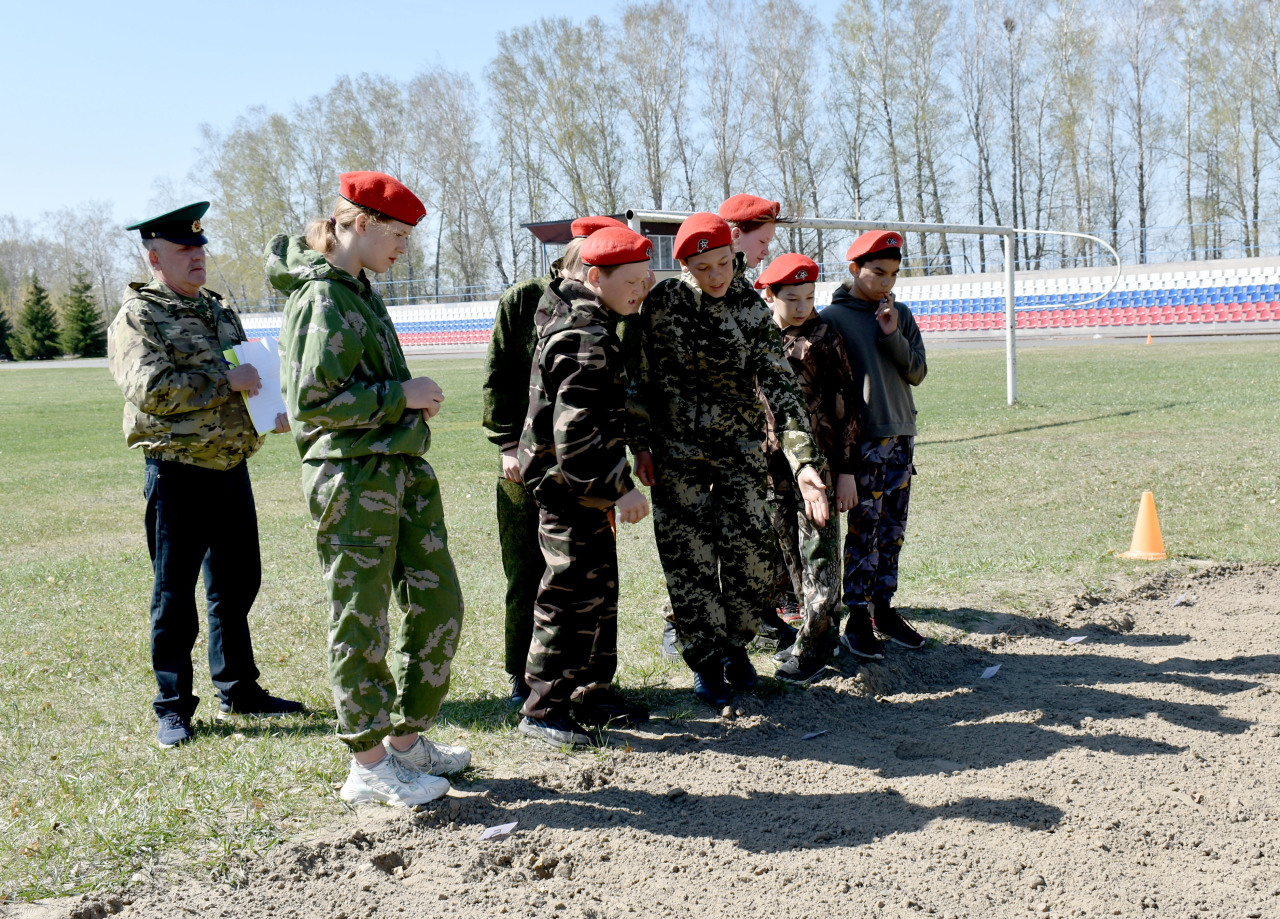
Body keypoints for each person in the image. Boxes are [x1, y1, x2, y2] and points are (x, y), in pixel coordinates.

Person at [269, 171, 468, 807]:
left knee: (440, 605)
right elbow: (312, 402)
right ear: (359, 224)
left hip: (398, 472)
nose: (404, 248)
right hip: (352, 480)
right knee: (361, 618)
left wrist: (407, 408)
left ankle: (406, 743)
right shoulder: (322, 298)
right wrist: (400, 396)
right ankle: (368, 761)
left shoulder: (357, 289)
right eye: (398, 236)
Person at [107, 201, 302, 750]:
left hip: (230, 467)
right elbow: (150, 388)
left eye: (200, 247)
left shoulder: (217, 310)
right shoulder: (139, 316)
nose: (198, 257)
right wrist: (227, 379)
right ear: (154, 257)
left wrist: (270, 411)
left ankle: (239, 688)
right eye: (184, 250)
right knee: (174, 595)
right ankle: (172, 706)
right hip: (177, 474)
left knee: (236, 585)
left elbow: (253, 375)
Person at [630, 212, 829, 707]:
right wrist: (640, 444)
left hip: (740, 453)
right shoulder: (662, 305)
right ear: (682, 264)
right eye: (702, 267)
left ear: (734, 256)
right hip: (678, 457)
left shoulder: (749, 308)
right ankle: (705, 662)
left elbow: (779, 385)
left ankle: (735, 644)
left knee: (751, 562)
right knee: (689, 563)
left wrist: (803, 461)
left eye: (723, 263)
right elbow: (639, 378)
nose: (716, 275)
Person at [481, 215, 628, 705]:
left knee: (592, 582)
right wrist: (506, 445)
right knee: (540, 577)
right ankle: (530, 684)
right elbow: (502, 379)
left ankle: (587, 685)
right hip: (548, 467)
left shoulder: (612, 310)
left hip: (588, 473)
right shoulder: (535, 304)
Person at [517, 226, 654, 747]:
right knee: (569, 596)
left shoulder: (589, 319)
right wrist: (621, 487)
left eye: (645, 280)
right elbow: (575, 436)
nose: (639, 291)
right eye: (631, 281)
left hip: (581, 492)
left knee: (596, 594)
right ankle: (543, 708)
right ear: (595, 277)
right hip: (571, 490)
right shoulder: (585, 335)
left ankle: (588, 692)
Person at [751, 254, 861, 684]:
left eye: (809, 297)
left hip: (819, 467)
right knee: (791, 557)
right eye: (792, 298)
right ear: (770, 295)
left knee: (819, 554)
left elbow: (848, 404)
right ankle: (816, 633)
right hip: (771, 466)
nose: (802, 307)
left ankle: (815, 647)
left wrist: (848, 469)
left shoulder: (825, 337)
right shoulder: (758, 336)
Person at [821, 230, 929, 657]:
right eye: (878, 273)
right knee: (863, 534)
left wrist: (891, 334)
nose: (887, 282)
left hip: (901, 435)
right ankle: (857, 617)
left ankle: (883, 608)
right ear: (853, 270)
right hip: (862, 443)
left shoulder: (898, 313)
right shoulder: (832, 318)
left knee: (892, 532)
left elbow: (918, 372)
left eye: (894, 274)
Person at [719, 194, 781, 270]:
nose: (766, 252)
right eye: (762, 242)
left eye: (768, 243)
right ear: (736, 235)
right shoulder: (715, 278)